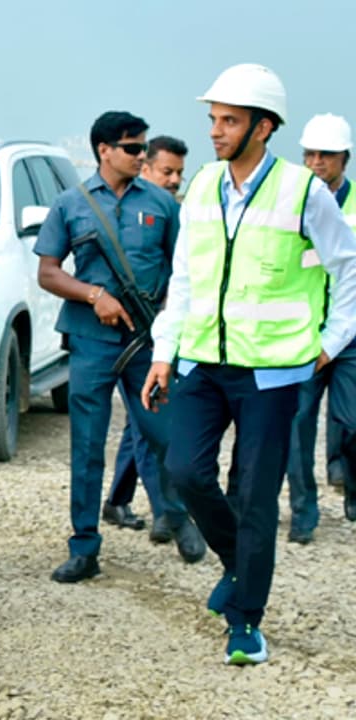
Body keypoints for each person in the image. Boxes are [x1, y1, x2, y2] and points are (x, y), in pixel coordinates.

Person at [143, 64, 356, 665]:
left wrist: (333, 339)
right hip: (203, 360)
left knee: (258, 499)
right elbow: (184, 278)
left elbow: (348, 268)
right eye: (213, 119)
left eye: (229, 121)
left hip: (274, 371)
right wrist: (165, 351)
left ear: (264, 128)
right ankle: (240, 565)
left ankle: (246, 623)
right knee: (185, 471)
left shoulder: (303, 191)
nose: (215, 130)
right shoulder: (205, 185)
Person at [35, 111, 204, 585]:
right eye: (132, 148)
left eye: (143, 148)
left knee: (166, 435)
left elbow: (182, 273)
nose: (142, 156)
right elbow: (48, 271)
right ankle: (84, 546)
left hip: (147, 340)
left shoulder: (163, 205)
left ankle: (178, 517)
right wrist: (94, 296)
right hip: (92, 340)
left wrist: (172, 327)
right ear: (103, 150)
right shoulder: (71, 203)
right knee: (87, 445)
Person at [104, 135, 190, 540]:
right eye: (166, 172)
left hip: (163, 333)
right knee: (147, 422)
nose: (173, 180)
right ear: (146, 168)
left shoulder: (172, 213)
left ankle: (118, 499)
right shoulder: (126, 212)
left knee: (143, 423)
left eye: (178, 173)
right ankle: (164, 512)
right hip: (126, 335)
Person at [283, 112, 356, 544]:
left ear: (344, 158)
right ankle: (303, 513)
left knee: (350, 422)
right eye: (309, 154)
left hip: (350, 334)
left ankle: (350, 481)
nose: (315, 162)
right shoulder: (294, 202)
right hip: (306, 331)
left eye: (325, 155)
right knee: (297, 424)